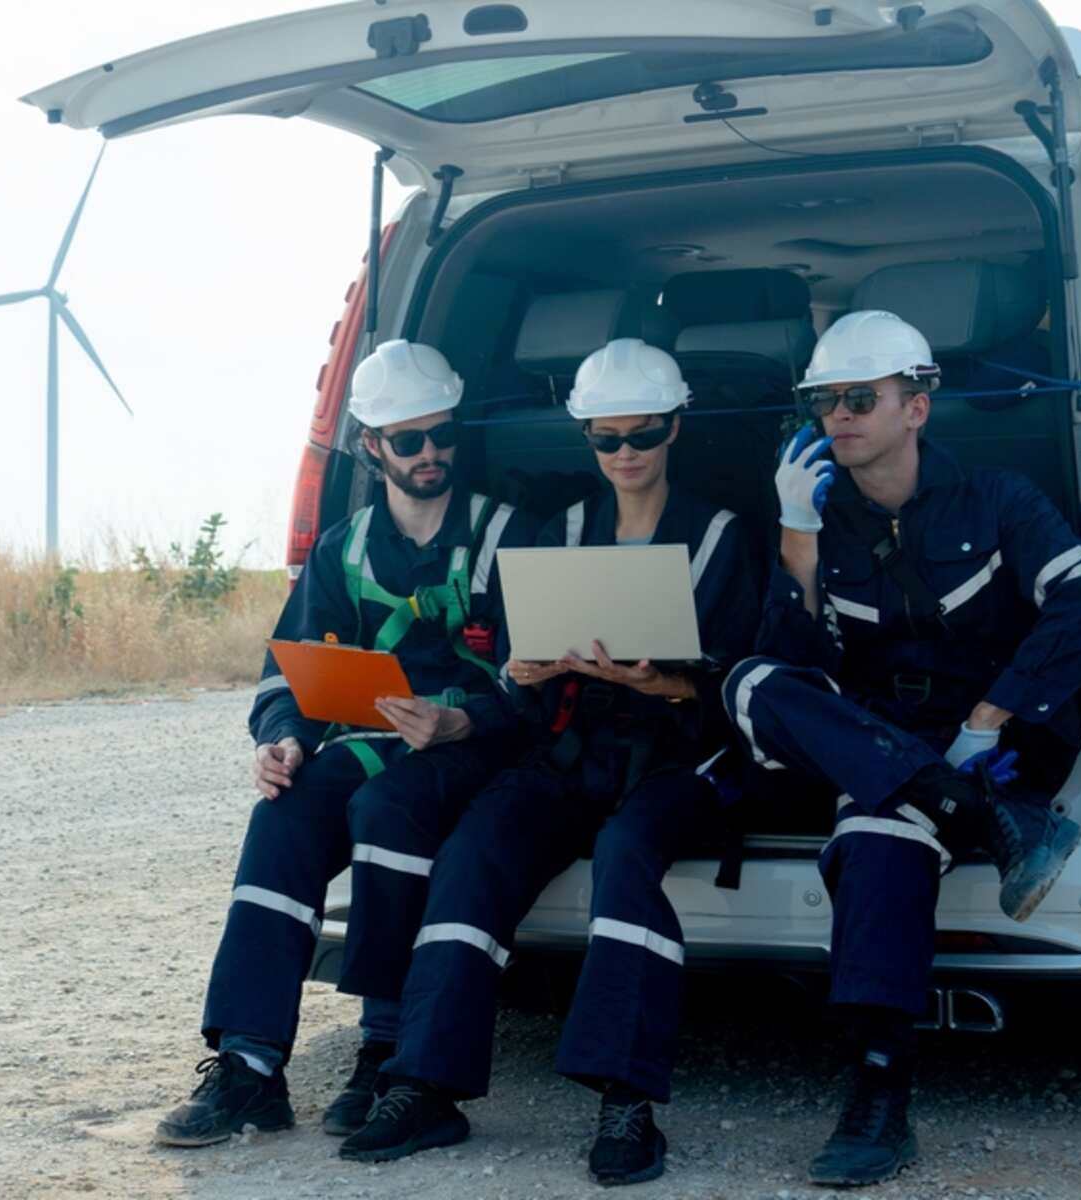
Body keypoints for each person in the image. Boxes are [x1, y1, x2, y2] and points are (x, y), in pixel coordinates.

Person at [719, 310, 1081, 1187]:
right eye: (824, 400)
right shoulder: (818, 519)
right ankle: (965, 813)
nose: (839, 415)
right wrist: (796, 534)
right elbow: (791, 665)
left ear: (918, 406)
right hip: (886, 744)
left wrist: (989, 717)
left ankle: (877, 1088)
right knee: (750, 684)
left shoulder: (998, 499)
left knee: (875, 836)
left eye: (860, 397)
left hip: (999, 739)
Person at [341, 338, 759, 1186]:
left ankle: (626, 1101)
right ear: (587, 440)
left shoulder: (719, 537)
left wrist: (662, 679)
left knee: (626, 855)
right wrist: (524, 672)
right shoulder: (558, 531)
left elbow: (744, 690)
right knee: (476, 847)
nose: (626, 454)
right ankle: (425, 1082)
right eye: (607, 439)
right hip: (570, 745)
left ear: (676, 429)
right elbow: (515, 679)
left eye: (643, 434)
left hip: (681, 759)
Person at [154, 339, 539, 1147]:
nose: (430, 453)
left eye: (442, 435)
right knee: (283, 816)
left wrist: (464, 719)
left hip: (482, 747)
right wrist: (284, 739)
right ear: (372, 447)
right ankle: (250, 1064)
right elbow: (286, 675)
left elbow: (541, 682)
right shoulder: (342, 549)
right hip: (374, 741)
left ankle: (385, 1043)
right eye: (409, 440)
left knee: (386, 809)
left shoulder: (508, 536)